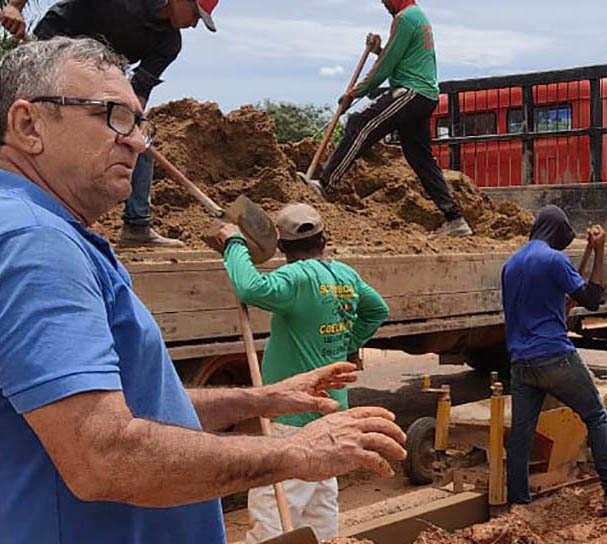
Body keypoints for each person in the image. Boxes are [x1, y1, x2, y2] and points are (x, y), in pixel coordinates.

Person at [0, 38, 406, 544]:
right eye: (114, 117)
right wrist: (297, 452)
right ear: (28, 125)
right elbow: (103, 455)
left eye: (140, 124)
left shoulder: (46, 231)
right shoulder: (36, 243)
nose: (137, 142)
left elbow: (139, 408)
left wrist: (262, 399)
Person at [212, 203, 390, 543]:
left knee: (274, 506)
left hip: (292, 416)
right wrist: (345, 343)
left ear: (281, 247)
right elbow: (377, 310)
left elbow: (250, 289)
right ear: (324, 240)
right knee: (320, 502)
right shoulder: (345, 276)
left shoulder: (297, 277)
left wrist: (234, 244)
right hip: (332, 414)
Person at [1, 0, 220, 248]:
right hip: (54, 51)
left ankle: (137, 226)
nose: (194, 24)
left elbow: (139, 89)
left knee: (139, 144)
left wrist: (131, 123)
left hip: (101, 78)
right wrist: (15, 6)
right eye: (195, 14)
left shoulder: (169, 43)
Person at [500, 205, 607, 516]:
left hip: (520, 361)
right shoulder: (554, 260)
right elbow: (592, 300)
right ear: (557, 234)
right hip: (554, 355)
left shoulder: (510, 264)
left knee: (521, 435)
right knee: (595, 415)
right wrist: (599, 252)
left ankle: (518, 505)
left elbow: (555, 302)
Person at [306, 0, 471, 239]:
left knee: (359, 123)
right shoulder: (416, 16)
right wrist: (378, 50)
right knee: (420, 159)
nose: (384, 3)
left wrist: (354, 93)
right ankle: (455, 220)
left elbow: (385, 66)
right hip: (423, 94)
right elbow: (398, 57)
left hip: (411, 91)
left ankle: (324, 184)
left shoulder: (404, 19)